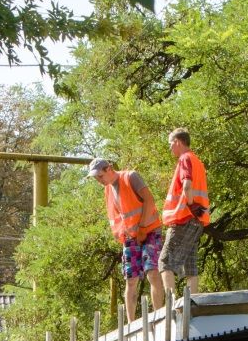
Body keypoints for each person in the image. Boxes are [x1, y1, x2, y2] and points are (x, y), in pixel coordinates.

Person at [87, 158, 166, 323]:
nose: (99, 181)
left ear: (109, 169)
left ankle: (159, 316)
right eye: (96, 178)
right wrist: (127, 235)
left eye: (100, 176)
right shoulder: (108, 190)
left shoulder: (131, 177)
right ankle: (131, 324)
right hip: (131, 237)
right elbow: (118, 217)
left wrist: (143, 228)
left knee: (152, 272)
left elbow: (149, 200)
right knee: (131, 279)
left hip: (150, 230)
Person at [158, 128, 210, 298]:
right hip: (197, 221)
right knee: (190, 266)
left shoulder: (185, 158)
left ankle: (171, 306)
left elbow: (187, 185)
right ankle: (193, 303)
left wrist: (191, 204)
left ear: (178, 142)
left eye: (170, 144)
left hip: (184, 218)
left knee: (164, 262)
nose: (170, 148)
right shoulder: (197, 161)